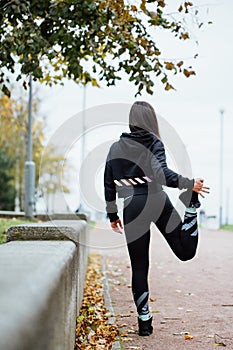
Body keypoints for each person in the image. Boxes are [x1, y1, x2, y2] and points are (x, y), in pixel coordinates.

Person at [104, 101, 209, 336]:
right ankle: (191, 206)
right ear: (151, 120)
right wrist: (188, 184)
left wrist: (112, 214)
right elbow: (161, 175)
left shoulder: (114, 148)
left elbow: (108, 184)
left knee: (139, 266)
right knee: (185, 251)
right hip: (157, 201)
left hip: (132, 207)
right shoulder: (154, 142)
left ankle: (144, 323)